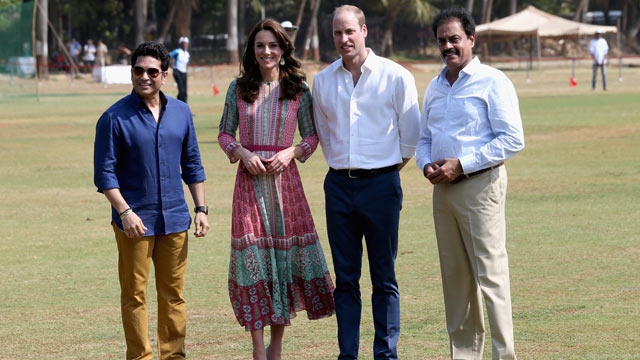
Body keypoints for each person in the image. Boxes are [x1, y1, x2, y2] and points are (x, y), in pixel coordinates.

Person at [218, 18, 336, 360]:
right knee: (251, 260)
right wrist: (241, 152)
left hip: (287, 189)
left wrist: (292, 152)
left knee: (282, 263)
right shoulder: (237, 89)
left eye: (273, 45)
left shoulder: (298, 90)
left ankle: (277, 347)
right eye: (260, 45)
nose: (266, 51)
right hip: (249, 186)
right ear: (252, 51)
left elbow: (313, 136)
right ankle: (257, 349)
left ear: (283, 49)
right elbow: (225, 134)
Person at [312, 5, 421, 360]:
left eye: (349, 32)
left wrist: (381, 171)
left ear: (364, 31)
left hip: (382, 185)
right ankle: (348, 355)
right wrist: (347, 169)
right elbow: (325, 135)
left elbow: (410, 138)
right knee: (345, 279)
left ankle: (385, 354)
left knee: (383, 277)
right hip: (339, 187)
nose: (343, 39)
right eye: (337, 33)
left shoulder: (395, 76)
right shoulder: (323, 80)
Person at [415, 7, 525, 360]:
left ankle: (503, 355)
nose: (448, 46)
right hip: (442, 192)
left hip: (480, 188)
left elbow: (512, 139)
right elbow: (423, 138)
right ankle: (464, 356)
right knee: (455, 281)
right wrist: (426, 164)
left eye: (454, 39)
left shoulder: (492, 81)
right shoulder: (434, 86)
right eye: (442, 40)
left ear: (471, 40)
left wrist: (461, 165)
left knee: (491, 278)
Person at [93, 41, 210, 360]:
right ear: (132, 72)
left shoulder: (182, 112)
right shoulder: (113, 118)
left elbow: (193, 162)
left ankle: (173, 356)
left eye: (152, 71)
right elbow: (104, 174)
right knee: (135, 296)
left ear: (165, 75)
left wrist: (200, 208)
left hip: (175, 219)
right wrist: (125, 211)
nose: (144, 76)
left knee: (173, 296)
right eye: (138, 70)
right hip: (134, 223)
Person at [169, 37, 190, 102]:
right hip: (177, 71)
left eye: (186, 43)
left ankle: (185, 105)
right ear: (180, 44)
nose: (184, 45)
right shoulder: (177, 51)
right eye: (183, 43)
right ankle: (179, 104)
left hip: (184, 72)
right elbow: (168, 56)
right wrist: (170, 65)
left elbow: (187, 63)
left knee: (185, 92)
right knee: (181, 90)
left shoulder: (187, 54)